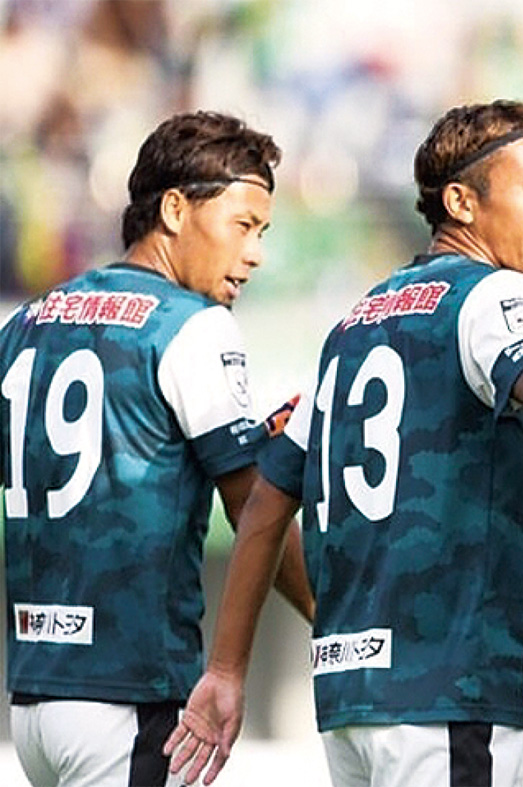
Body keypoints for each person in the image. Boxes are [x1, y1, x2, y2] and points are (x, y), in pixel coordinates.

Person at [163, 98, 523, 787]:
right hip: (445, 694)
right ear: (461, 202)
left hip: (348, 701)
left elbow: (265, 503)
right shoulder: (492, 292)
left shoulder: (352, 325)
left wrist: (225, 669)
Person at [0, 111, 313, 787]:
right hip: (130, 699)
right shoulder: (193, 326)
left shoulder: (26, 321)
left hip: (32, 701)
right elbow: (252, 507)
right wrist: (332, 617)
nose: (255, 253)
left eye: (262, 232)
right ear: (174, 209)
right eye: (243, 225)